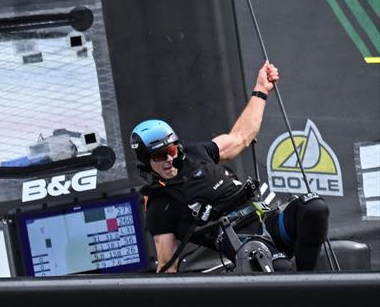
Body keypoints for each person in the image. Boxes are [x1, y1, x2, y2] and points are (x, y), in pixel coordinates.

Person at [130, 61, 329, 272]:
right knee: (279, 267)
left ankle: (308, 279)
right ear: (145, 161)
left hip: (267, 218)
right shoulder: (160, 205)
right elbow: (167, 267)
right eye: (160, 156)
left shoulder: (197, 153)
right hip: (241, 239)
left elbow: (241, 137)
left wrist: (261, 89)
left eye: (171, 151)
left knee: (315, 208)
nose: (169, 159)